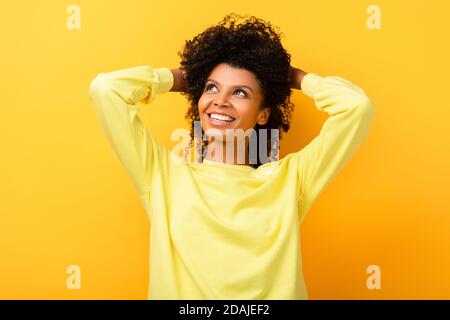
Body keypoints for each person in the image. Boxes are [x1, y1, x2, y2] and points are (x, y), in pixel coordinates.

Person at [88, 13, 375, 300]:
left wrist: (294, 77)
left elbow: (356, 107)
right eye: (211, 87)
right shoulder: (162, 175)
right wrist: (182, 76)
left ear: (263, 114)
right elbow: (106, 90)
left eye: (240, 92)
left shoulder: (291, 180)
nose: (220, 100)